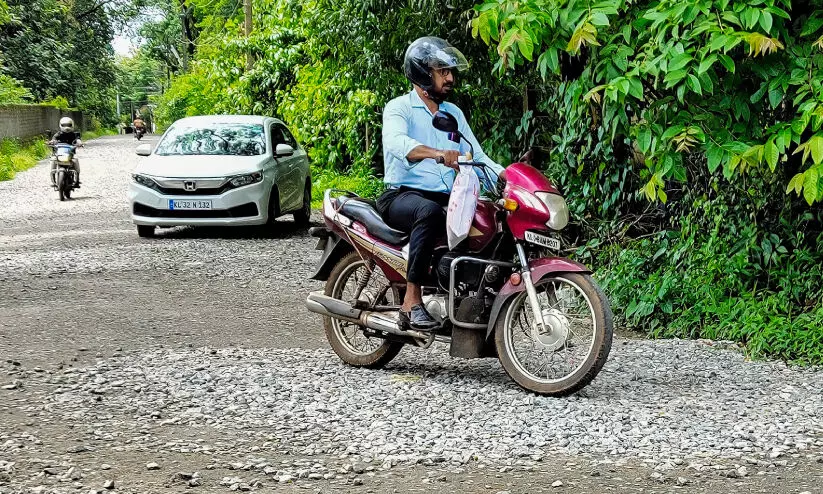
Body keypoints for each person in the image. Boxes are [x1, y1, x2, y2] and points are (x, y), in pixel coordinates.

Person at [377, 36, 505, 331]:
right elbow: (397, 143)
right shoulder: (399, 108)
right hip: (401, 196)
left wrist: (505, 178)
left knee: (488, 218)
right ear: (423, 73)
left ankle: (467, 298)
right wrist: (437, 154)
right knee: (429, 212)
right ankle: (411, 302)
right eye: (442, 71)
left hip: (447, 197)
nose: (450, 78)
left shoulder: (453, 114)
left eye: (450, 71)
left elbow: (476, 155)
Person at [49, 117, 82, 188]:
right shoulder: (58, 134)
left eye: (68, 125)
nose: (66, 127)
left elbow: (78, 140)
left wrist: (79, 142)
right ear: (60, 125)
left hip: (71, 154)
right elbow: (54, 139)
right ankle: (53, 179)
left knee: (76, 160)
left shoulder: (74, 135)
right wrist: (52, 142)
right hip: (59, 154)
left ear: (72, 125)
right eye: (64, 125)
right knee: (53, 160)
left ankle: (77, 179)